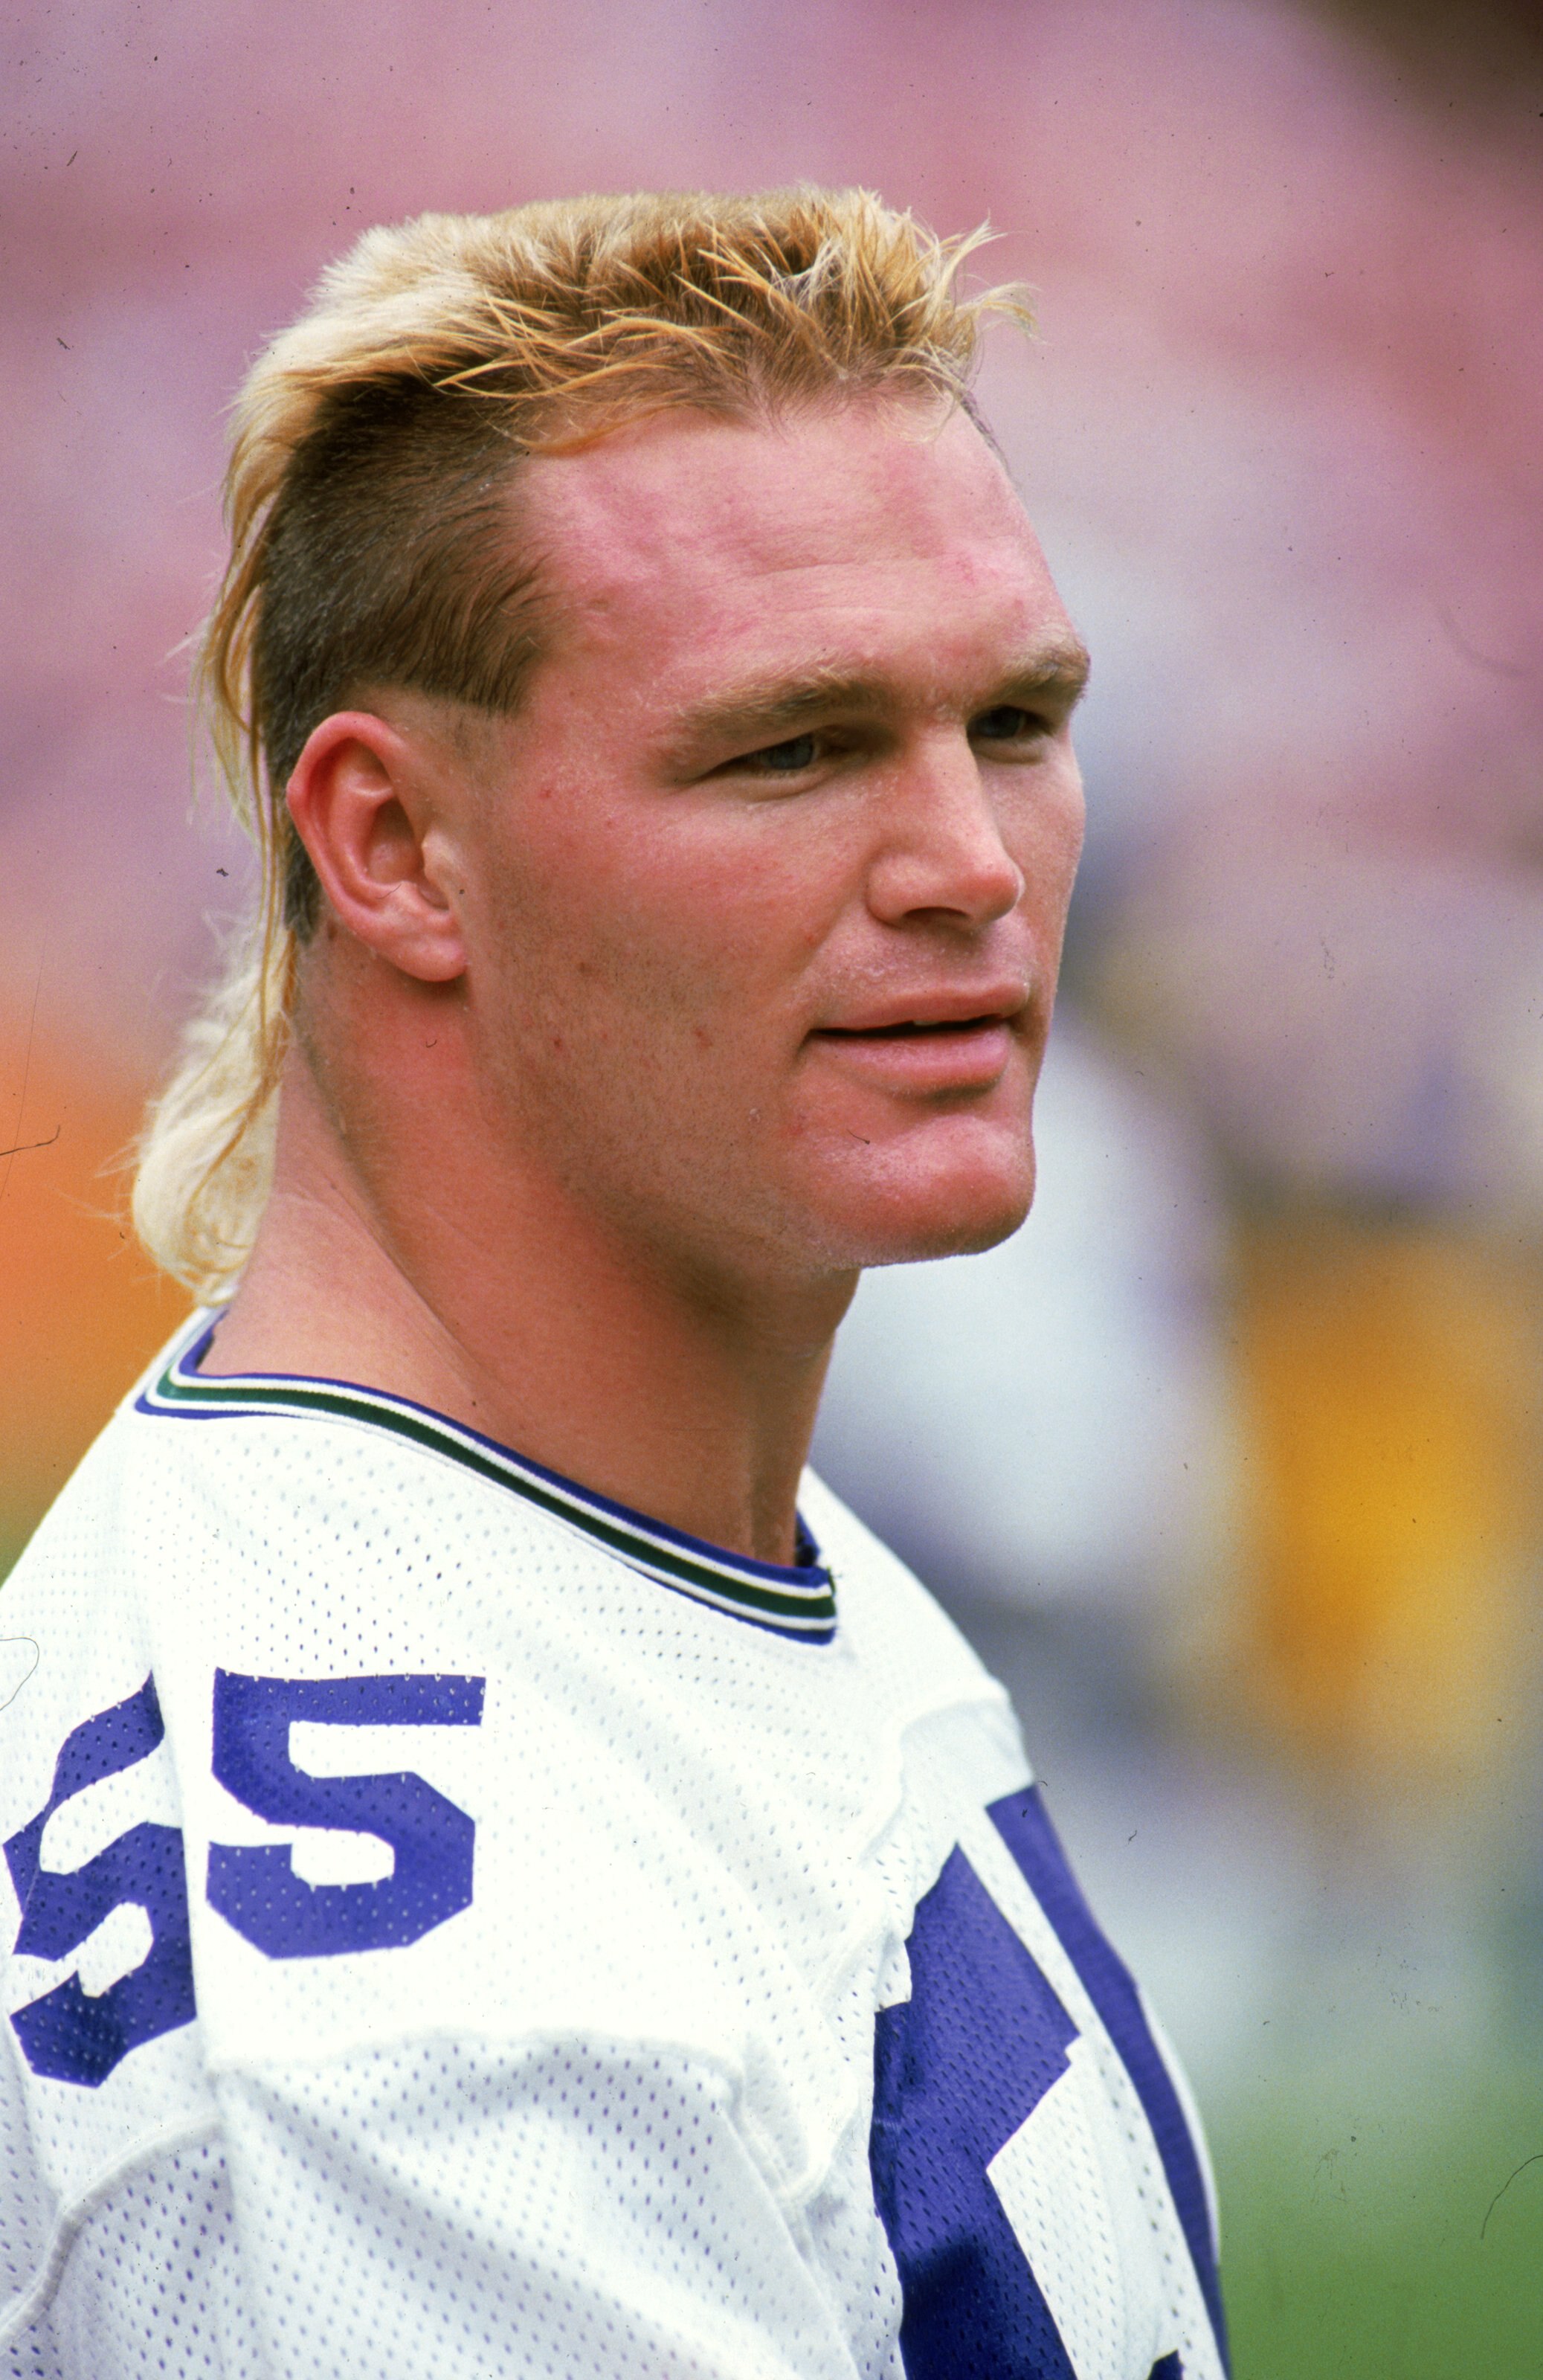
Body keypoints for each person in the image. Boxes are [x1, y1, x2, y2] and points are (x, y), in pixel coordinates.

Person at [0, 188, 1227, 2380]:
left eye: (1015, 722)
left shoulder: (629, 1505)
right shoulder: (417, 2043)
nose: (968, 864)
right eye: (791, 747)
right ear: (388, 849)